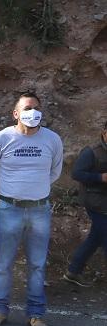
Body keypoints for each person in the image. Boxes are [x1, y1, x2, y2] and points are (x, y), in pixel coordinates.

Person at [0, 91, 63, 326]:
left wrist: (33, 192)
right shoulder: (1, 138)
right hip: (10, 209)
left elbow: (54, 172)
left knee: (37, 265)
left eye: (36, 108)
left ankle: (36, 314)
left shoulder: (52, 140)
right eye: (27, 108)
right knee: (4, 263)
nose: (33, 112)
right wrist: (11, 191)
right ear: (16, 114)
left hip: (40, 210)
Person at [63, 121, 107, 287]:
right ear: (104, 132)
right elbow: (77, 173)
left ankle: (73, 272)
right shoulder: (92, 152)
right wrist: (100, 178)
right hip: (95, 202)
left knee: (95, 238)